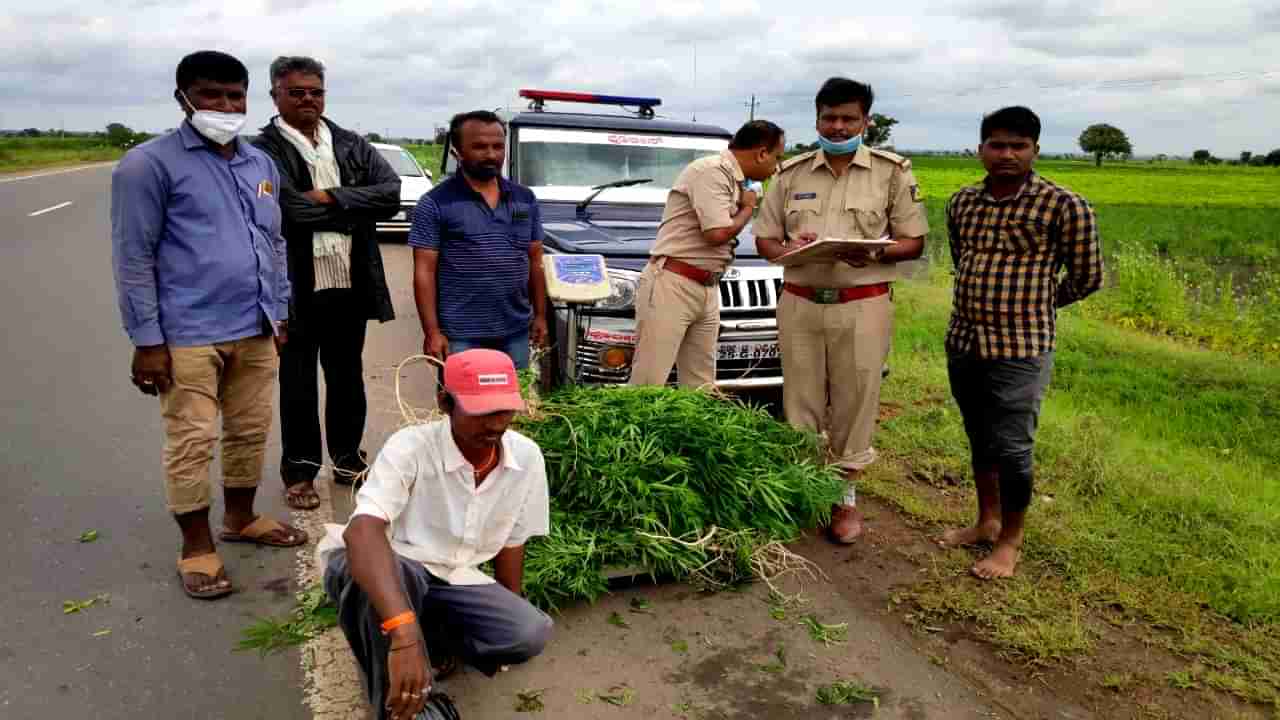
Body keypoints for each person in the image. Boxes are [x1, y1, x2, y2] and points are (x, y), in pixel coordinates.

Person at [111, 50, 306, 600]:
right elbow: (133, 257)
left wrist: (281, 309)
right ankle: (196, 546)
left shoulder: (258, 164)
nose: (224, 106)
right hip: (188, 333)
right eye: (211, 95)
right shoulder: (148, 165)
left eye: (234, 95)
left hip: (257, 325)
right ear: (183, 98)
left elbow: (273, 242)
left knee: (249, 431)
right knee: (192, 440)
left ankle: (240, 518)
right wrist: (147, 341)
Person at [318, 349, 553, 720]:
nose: (495, 424)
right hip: (390, 569)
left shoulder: (526, 458)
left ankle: (425, 642)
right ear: (445, 402)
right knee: (396, 594)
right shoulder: (410, 447)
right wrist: (404, 633)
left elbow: (513, 541)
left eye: (504, 411)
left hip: (453, 577)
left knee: (528, 631)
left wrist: (506, 609)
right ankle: (407, 705)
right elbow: (363, 532)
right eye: (481, 411)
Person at [755, 77, 929, 544]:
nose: (837, 126)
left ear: (865, 122)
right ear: (816, 120)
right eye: (829, 118)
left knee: (855, 402)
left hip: (862, 305)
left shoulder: (892, 172)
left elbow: (913, 241)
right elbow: (765, 240)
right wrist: (791, 246)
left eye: (848, 118)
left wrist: (876, 253)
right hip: (801, 303)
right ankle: (804, 492)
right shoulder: (790, 174)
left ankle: (843, 498)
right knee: (800, 401)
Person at [937, 106, 1103, 579]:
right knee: (979, 437)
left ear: (1034, 150)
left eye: (1018, 146)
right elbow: (960, 257)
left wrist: (1036, 306)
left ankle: (1010, 541)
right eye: (997, 144)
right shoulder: (962, 202)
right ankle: (985, 522)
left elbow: (1088, 277)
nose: (1007, 154)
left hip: (1022, 347)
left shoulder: (1064, 205)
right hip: (965, 339)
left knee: (1011, 447)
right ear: (980, 148)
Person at [253, 56, 400, 507]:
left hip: (349, 281)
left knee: (347, 377)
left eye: (315, 91)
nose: (308, 100)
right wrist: (355, 207)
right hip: (295, 284)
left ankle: (348, 460)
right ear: (275, 94)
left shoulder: (351, 143)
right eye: (296, 92)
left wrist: (331, 196)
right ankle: (299, 471)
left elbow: (391, 193)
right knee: (297, 381)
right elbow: (288, 210)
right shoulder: (263, 149)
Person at [628, 121, 786, 389]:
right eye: (777, 157)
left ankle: (686, 430)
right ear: (761, 153)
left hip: (706, 286)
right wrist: (748, 208)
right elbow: (716, 233)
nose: (777, 166)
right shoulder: (712, 171)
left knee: (700, 384)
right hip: (674, 283)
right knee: (649, 381)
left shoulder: (732, 178)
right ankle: (637, 430)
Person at [409, 111, 548, 370]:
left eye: (497, 146)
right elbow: (424, 272)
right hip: (460, 334)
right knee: (464, 407)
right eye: (480, 147)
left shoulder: (524, 198)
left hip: (515, 329)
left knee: (512, 404)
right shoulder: (435, 203)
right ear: (457, 152)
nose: (491, 154)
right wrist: (432, 332)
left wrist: (540, 316)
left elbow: (535, 260)